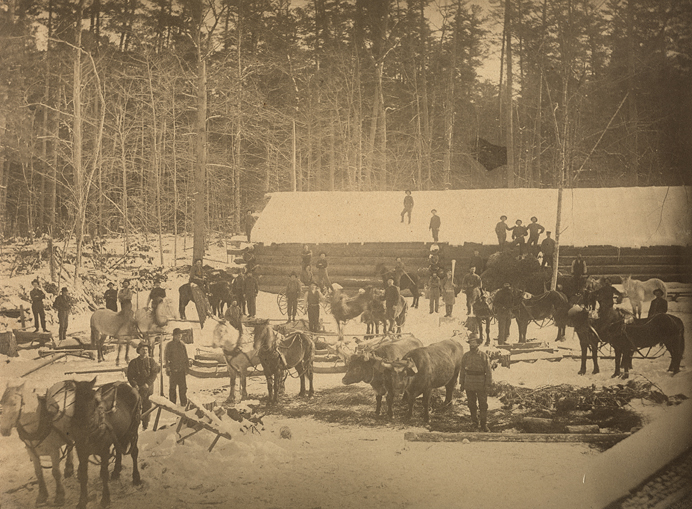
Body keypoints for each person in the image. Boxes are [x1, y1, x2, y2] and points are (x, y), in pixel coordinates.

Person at [459, 333, 492, 432]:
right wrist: (461, 383)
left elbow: (488, 371)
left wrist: (488, 384)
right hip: (469, 382)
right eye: (470, 342)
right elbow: (462, 371)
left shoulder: (483, 356)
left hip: (481, 382)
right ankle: (474, 423)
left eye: (474, 342)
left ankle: (483, 424)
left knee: (483, 404)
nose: (472, 344)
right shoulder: (466, 356)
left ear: (478, 344)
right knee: (471, 404)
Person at [127, 342, 160, 430]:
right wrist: (135, 385)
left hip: (148, 389)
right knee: (136, 407)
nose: (145, 351)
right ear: (139, 351)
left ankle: (145, 426)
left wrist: (148, 383)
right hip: (138, 388)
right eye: (143, 350)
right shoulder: (134, 362)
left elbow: (154, 374)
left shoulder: (151, 361)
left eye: (146, 350)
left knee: (147, 407)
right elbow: (130, 376)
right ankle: (135, 425)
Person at [165, 328, 190, 407]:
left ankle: (183, 403)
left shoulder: (182, 344)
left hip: (181, 369)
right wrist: (168, 367)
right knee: (172, 388)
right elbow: (166, 357)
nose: (180, 336)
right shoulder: (169, 345)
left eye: (180, 335)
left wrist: (187, 368)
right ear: (174, 336)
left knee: (183, 388)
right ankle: (172, 404)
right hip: (173, 370)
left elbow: (186, 357)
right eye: (178, 335)